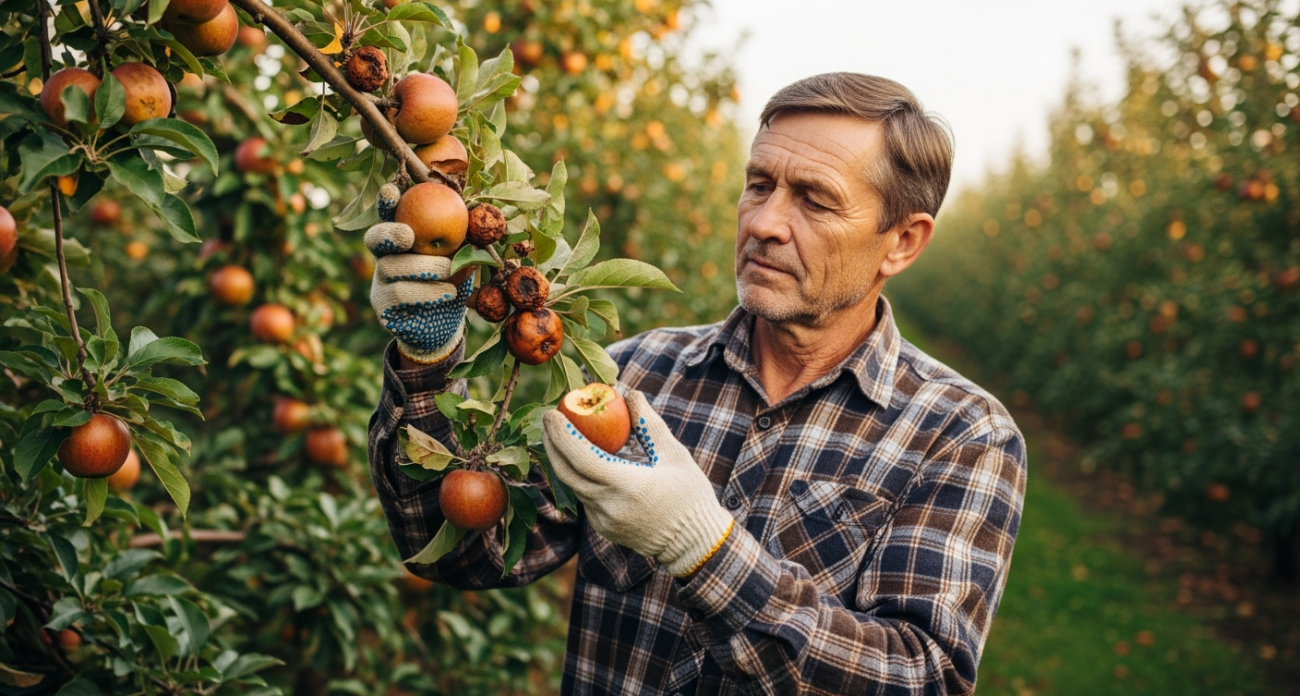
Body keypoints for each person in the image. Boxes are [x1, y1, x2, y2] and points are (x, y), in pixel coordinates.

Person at [365, 72, 1026, 695]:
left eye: (815, 199)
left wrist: (704, 550)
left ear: (902, 243)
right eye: (759, 184)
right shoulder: (629, 376)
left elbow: (921, 677)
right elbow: (464, 554)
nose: (765, 222)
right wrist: (426, 363)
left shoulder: (962, 434)